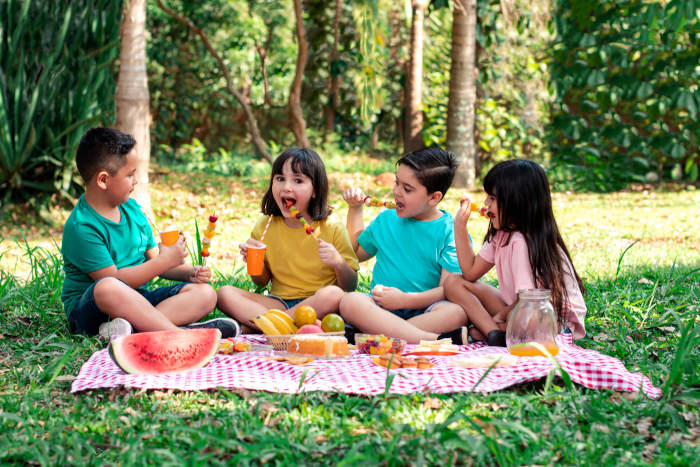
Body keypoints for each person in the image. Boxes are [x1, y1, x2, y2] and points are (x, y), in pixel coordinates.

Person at [61, 127, 239, 339]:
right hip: (92, 311)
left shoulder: (132, 210)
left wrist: (186, 272)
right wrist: (164, 261)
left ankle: (132, 331)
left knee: (205, 294)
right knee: (107, 287)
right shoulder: (82, 227)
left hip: (137, 300)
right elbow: (116, 280)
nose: (135, 180)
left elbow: (154, 260)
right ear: (103, 180)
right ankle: (179, 335)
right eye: (130, 174)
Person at [444, 159, 586, 346]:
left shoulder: (521, 241)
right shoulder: (502, 234)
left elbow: (528, 301)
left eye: (493, 199)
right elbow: (470, 273)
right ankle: (494, 333)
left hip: (551, 319)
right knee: (453, 282)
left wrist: (499, 316)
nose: (486, 204)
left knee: (512, 315)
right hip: (521, 306)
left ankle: (492, 331)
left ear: (517, 202)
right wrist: (459, 226)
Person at [216, 147, 359, 328]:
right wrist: (255, 262)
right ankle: (283, 325)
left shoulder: (331, 228)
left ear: (315, 190)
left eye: (298, 180)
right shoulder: (264, 226)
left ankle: (266, 326)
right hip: (278, 303)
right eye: (280, 179)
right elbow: (261, 282)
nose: (286, 187)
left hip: (317, 305)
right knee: (224, 293)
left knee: (334, 294)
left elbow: (350, 285)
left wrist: (338, 262)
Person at [339, 146, 469, 345]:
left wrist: (405, 300)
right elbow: (356, 253)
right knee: (350, 301)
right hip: (381, 308)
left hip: (427, 309)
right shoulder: (386, 220)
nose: (396, 192)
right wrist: (355, 209)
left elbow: (448, 289)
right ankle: (433, 340)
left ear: (434, 197)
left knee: (456, 313)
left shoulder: (450, 232)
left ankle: (372, 335)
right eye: (397, 183)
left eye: (407, 189)